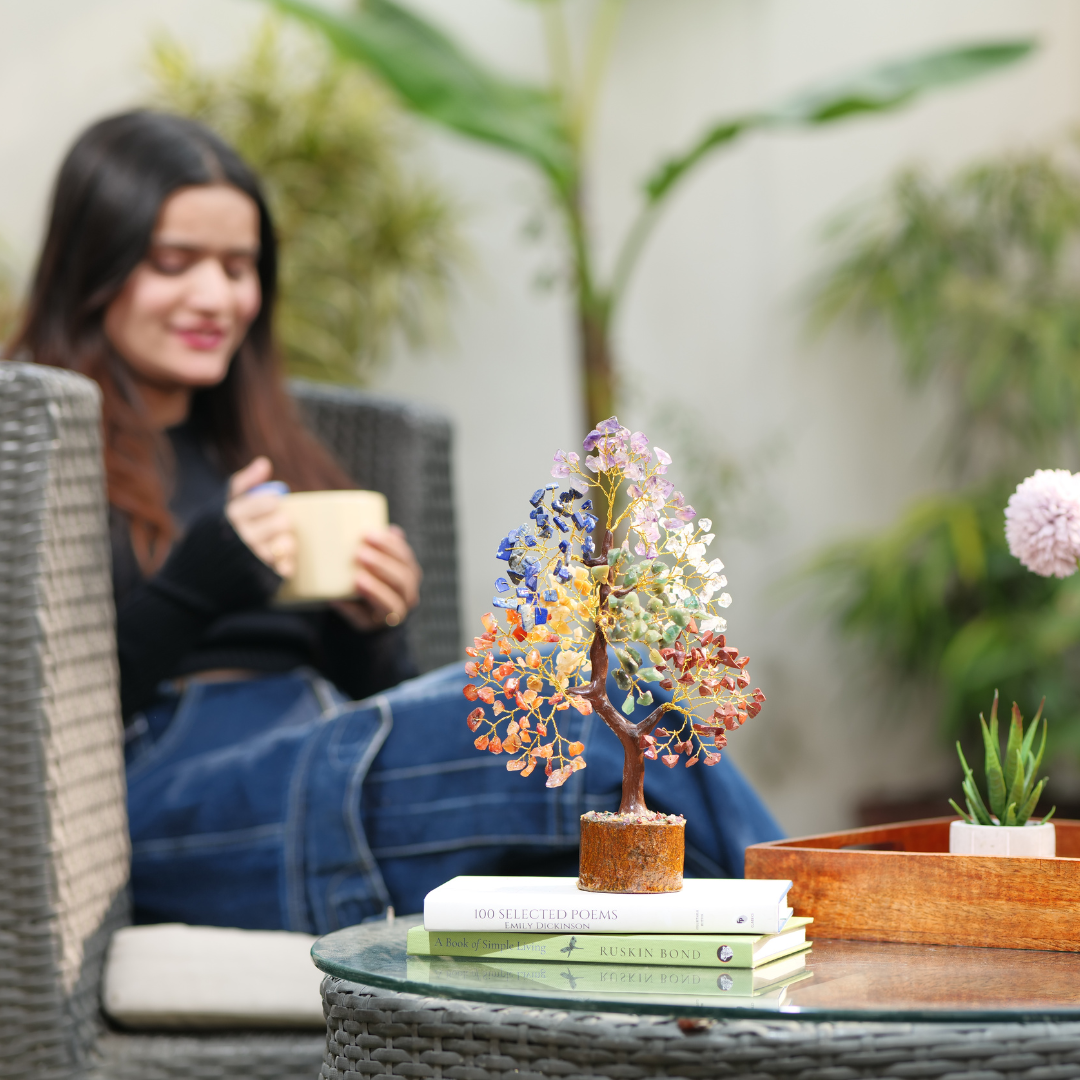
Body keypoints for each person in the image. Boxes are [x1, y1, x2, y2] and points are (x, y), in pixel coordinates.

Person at [9, 111, 783, 934]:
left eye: (239, 267)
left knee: (619, 723)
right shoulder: (32, 446)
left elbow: (370, 699)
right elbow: (23, 720)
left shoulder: (268, 444)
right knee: (599, 710)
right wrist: (198, 584)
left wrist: (373, 626)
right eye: (174, 263)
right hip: (168, 807)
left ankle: (762, 984)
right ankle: (829, 935)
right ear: (95, 266)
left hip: (314, 754)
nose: (216, 297)